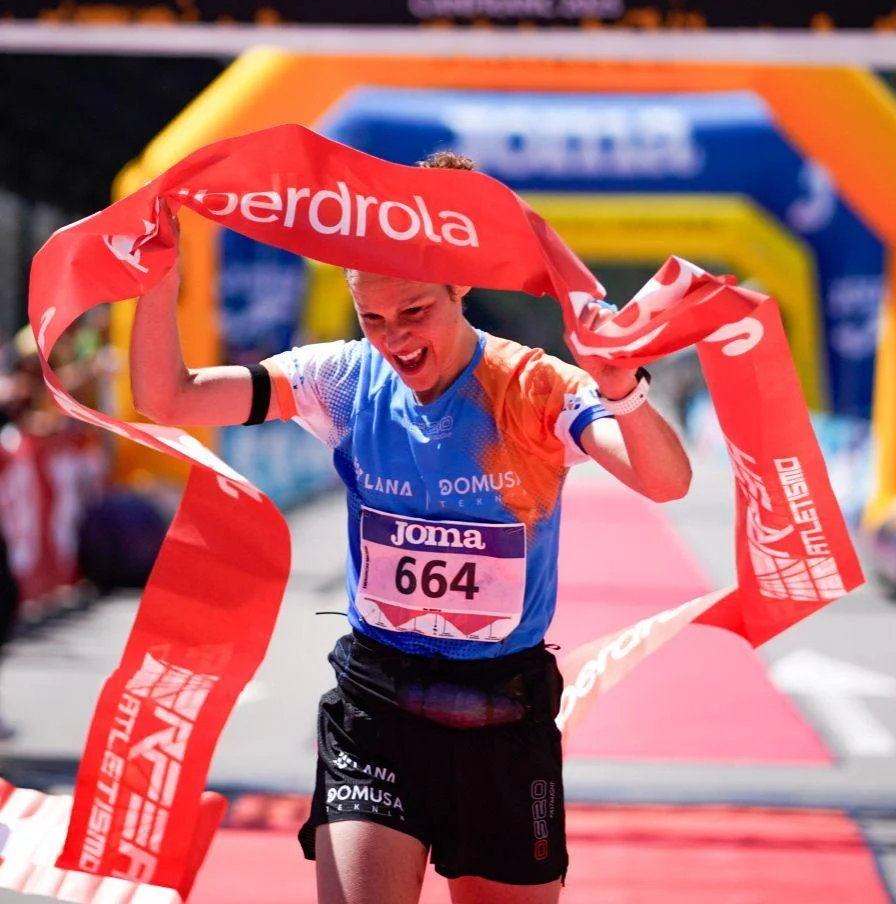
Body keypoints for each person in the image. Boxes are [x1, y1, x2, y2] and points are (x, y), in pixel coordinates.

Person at [130, 152, 692, 904]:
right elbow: (168, 399)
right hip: (378, 706)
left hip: (502, 713)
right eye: (373, 318)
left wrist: (622, 390)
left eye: (415, 313)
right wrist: (159, 280)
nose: (394, 340)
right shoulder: (341, 379)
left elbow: (665, 481)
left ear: (460, 285)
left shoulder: (532, 387)